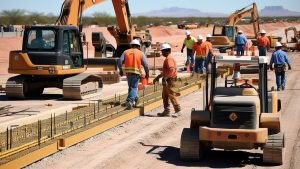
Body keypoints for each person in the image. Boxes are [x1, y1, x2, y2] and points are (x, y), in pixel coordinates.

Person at [118, 39, 149, 110]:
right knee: (134, 87)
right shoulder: (140, 53)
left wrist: (120, 70)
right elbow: (146, 65)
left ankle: (135, 99)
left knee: (131, 87)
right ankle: (130, 101)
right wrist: (147, 73)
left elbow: (119, 61)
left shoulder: (126, 52)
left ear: (131, 45)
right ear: (138, 46)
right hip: (136, 73)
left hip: (128, 73)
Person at [153, 43, 181, 117]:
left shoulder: (169, 59)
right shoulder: (168, 58)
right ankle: (166, 111)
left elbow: (171, 69)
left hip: (170, 80)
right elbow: (166, 71)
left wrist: (166, 77)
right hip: (167, 80)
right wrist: (158, 77)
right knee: (165, 95)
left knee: (172, 95)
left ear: (167, 51)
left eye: (162, 51)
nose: (162, 53)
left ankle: (178, 110)